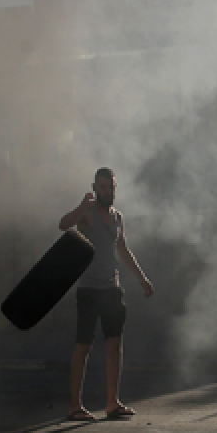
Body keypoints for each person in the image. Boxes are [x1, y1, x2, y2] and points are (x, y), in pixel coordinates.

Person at [57, 167, 154, 420]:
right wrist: (80, 206)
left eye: (111, 187)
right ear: (94, 187)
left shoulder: (118, 217)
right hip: (89, 289)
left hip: (112, 289)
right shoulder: (87, 214)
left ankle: (112, 403)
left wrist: (143, 279)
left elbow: (123, 250)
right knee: (84, 347)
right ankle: (75, 406)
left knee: (115, 345)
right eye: (102, 187)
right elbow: (63, 225)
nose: (107, 191)